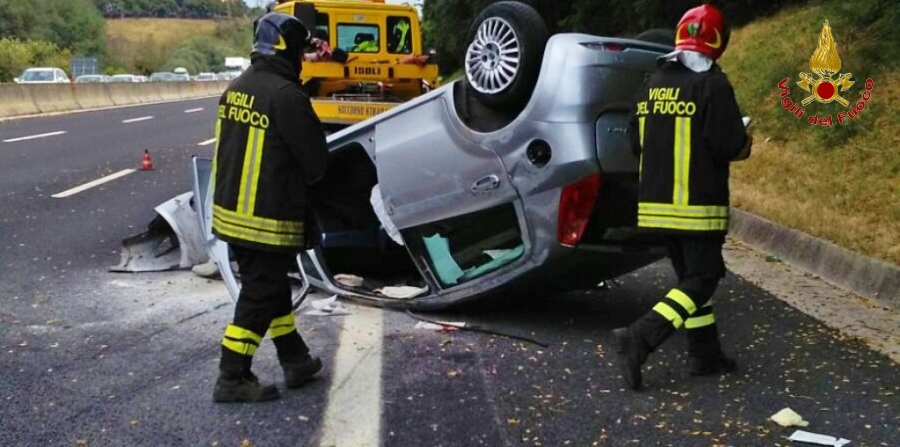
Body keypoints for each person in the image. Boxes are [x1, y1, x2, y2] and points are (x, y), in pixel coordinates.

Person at [613, 3, 752, 390]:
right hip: (697, 206)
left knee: (690, 280)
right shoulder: (712, 84)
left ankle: (704, 354)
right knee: (704, 278)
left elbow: (635, 142)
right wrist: (746, 142)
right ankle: (639, 338)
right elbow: (728, 143)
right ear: (718, 40)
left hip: (656, 205)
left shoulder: (651, 81)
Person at [211, 12, 329, 403]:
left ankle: (295, 359)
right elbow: (315, 163)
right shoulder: (286, 96)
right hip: (266, 219)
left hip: (232, 215)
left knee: (272, 288)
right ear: (290, 51)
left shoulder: (237, 88)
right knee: (260, 297)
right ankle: (232, 375)